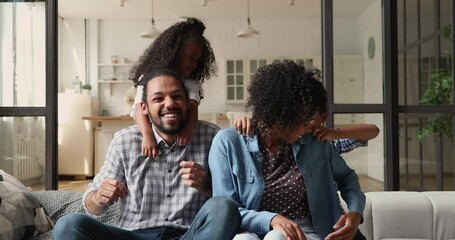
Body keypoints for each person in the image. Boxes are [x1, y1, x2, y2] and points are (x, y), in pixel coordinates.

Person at [53, 69, 240, 240]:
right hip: (134, 235)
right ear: (143, 107)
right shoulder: (125, 141)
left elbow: (234, 199)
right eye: (158, 99)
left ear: (189, 104)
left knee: (224, 207)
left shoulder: (212, 137)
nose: (169, 104)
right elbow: (91, 207)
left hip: (190, 235)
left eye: (177, 97)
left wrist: (206, 185)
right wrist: (99, 197)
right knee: (69, 225)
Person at [209, 60, 366, 240]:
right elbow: (227, 210)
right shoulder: (227, 143)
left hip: (307, 231)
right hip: (250, 230)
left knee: (276, 238)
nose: (307, 129)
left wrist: (355, 212)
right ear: (279, 115)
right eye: (302, 122)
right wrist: (271, 219)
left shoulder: (313, 142)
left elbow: (347, 177)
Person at [129, 17, 216, 158]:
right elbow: (140, 107)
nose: (194, 64)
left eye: (198, 60)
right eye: (192, 57)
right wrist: (148, 134)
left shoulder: (191, 82)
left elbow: (193, 107)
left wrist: (188, 129)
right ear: (176, 51)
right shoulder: (148, 78)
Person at [234, 110, 379, 155]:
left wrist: (334, 134)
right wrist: (244, 121)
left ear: (323, 118)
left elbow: (373, 131)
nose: (306, 127)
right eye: (302, 121)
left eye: (311, 120)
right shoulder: (285, 139)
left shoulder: (323, 141)